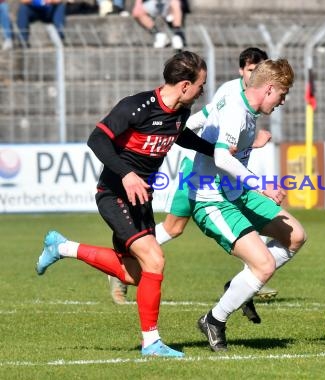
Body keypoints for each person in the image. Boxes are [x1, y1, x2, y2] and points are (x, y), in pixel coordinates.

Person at [35, 51, 211, 357]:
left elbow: (181, 137)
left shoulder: (181, 113)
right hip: (114, 194)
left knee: (135, 276)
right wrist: (127, 174)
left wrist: (219, 151)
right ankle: (151, 343)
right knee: (155, 260)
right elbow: (97, 139)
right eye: (200, 85)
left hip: (141, 199)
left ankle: (62, 247)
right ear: (184, 85)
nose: (202, 91)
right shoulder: (137, 106)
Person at [108, 48, 280, 323]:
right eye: (250, 70)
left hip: (217, 172)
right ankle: (124, 264)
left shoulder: (252, 100)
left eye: (258, 71)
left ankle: (249, 279)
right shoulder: (230, 92)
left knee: (177, 228)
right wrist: (201, 144)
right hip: (198, 171)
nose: (253, 75)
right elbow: (198, 121)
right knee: (174, 227)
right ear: (242, 71)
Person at [190, 58, 306, 351]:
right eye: (282, 93)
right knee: (264, 265)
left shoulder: (239, 105)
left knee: (295, 236)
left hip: (236, 192)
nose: (283, 101)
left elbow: (192, 123)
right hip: (211, 199)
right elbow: (222, 157)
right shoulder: (237, 112)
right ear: (269, 88)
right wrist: (261, 184)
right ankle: (215, 320)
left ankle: (241, 283)